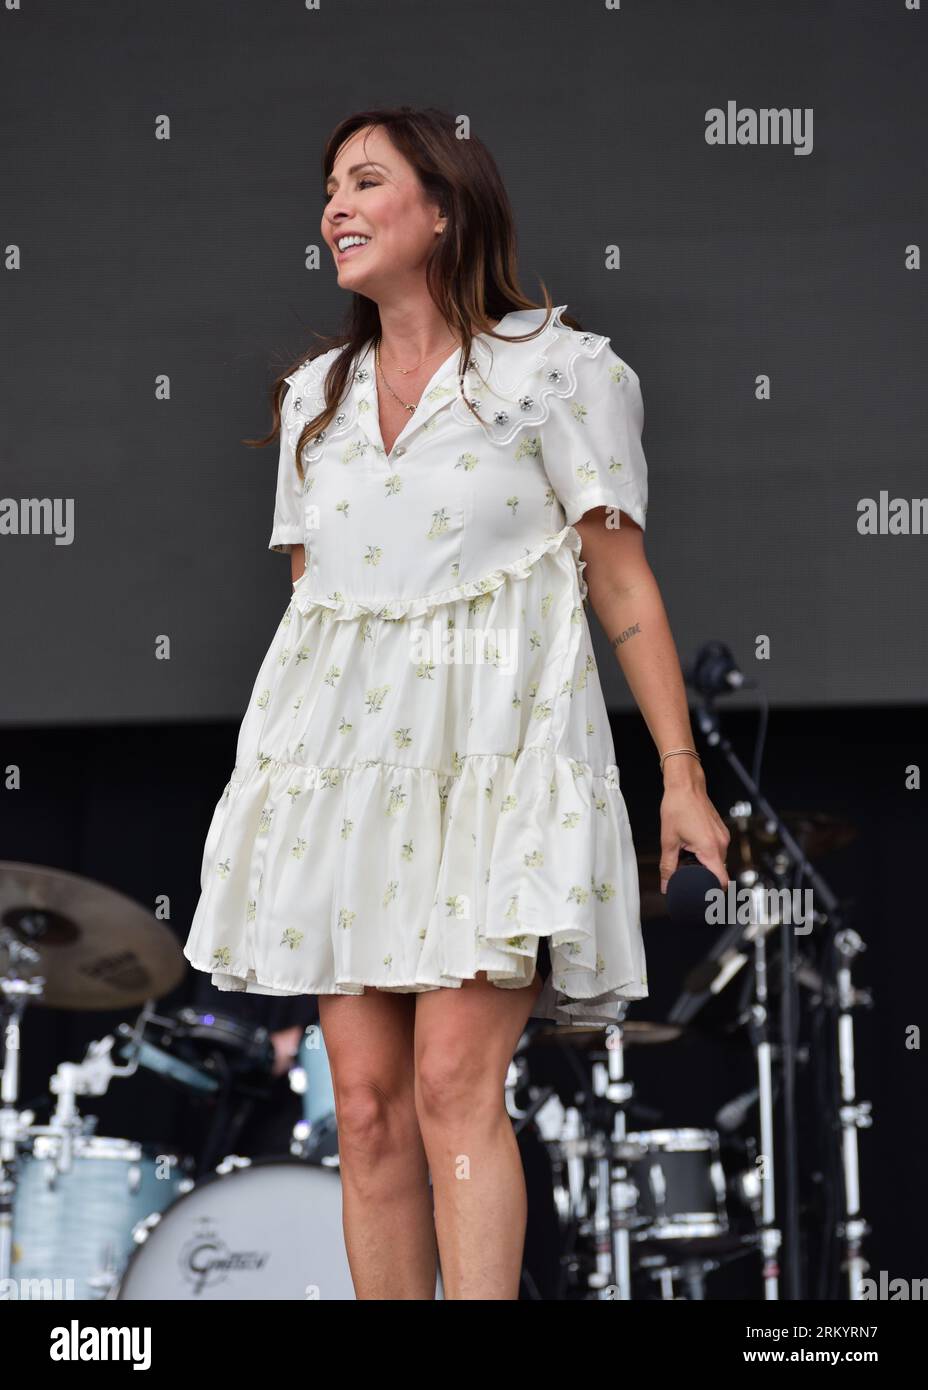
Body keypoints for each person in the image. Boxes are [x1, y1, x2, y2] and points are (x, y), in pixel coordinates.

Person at [183, 105, 730, 1299]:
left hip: (496, 763)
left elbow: (620, 580)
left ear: (443, 209)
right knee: (367, 1111)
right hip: (348, 788)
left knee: (447, 1086)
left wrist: (679, 778)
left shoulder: (556, 370)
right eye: (328, 185)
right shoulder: (315, 399)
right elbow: (317, 620)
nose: (334, 206)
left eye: (366, 181)